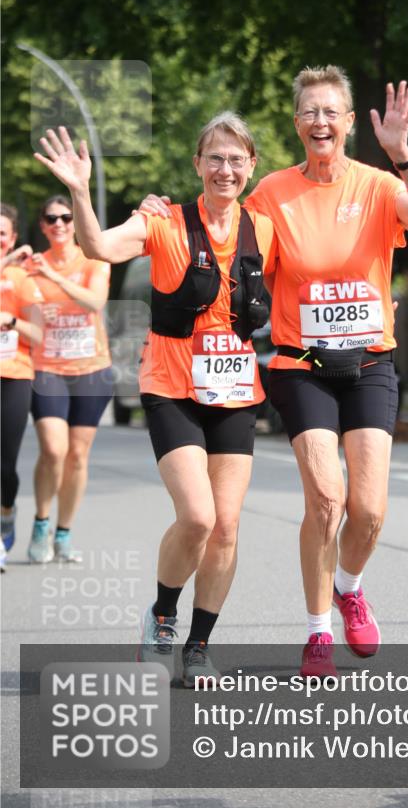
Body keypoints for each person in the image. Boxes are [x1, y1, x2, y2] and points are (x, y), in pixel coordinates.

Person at [140, 69, 408, 676]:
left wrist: (404, 155)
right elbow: (217, 223)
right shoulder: (270, 193)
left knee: (370, 508)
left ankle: (350, 587)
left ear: (351, 122)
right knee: (327, 499)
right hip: (300, 365)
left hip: (372, 363)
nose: (321, 122)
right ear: (296, 122)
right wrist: (158, 213)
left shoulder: (380, 185)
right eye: (309, 112)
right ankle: (317, 631)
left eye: (332, 112)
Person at [35, 114, 275, 687]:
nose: (225, 168)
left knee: (227, 527)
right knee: (197, 516)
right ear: (197, 164)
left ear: (251, 168)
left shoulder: (264, 227)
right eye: (214, 157)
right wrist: (79, 189)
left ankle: (198, 646)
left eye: (236, 159)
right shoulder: (162, 220)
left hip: (237, 391)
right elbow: (97, 246)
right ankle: (163, 616)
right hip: (170, 386)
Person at [25, 193, 113, 564]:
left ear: (74, 224)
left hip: (91, 370)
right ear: (43, 226)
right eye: (51, 218)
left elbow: (94, 303)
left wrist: (52, 278)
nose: (59, 223)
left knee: (77, 456)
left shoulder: (94, 258)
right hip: (47, 368)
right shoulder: (32, 266)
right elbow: (26, 313)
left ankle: (63, 532)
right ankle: (42, 522)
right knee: (54, 450)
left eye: (65, 217)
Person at [0, 204, 43, 569]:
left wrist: (11, 320)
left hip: (14, 375)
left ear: (12, 238)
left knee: (5, 465)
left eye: (2, 233)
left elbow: (39, 333)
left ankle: (7, 510)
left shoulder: (24, 280)